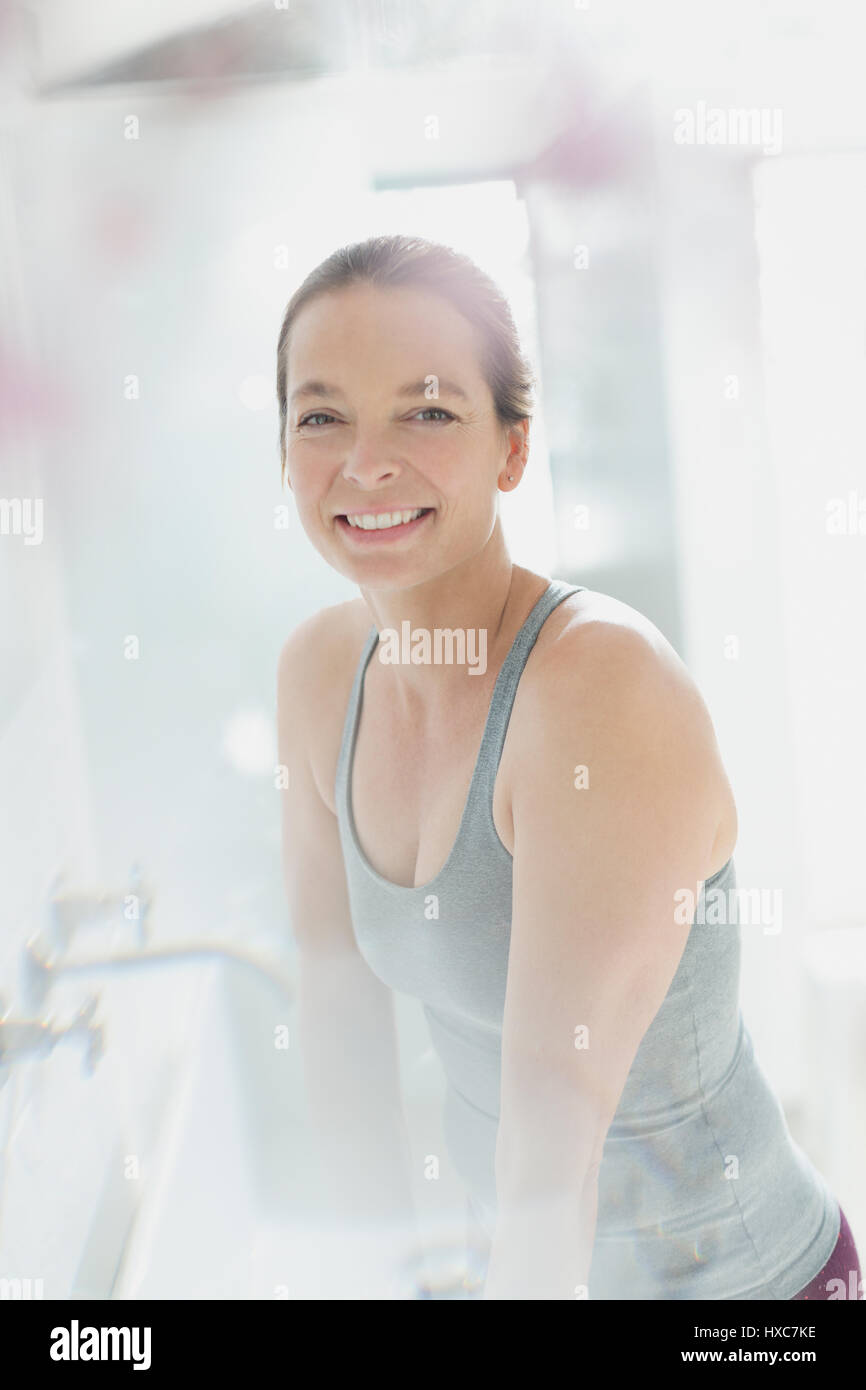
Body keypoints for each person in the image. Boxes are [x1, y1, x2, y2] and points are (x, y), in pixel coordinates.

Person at [275, 233, 859, 1300]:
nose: (365, 462)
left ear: (511, 448)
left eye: (427, 410)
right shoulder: (319, 676)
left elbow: (550, 1130)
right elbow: (338, 1022)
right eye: (321, 415)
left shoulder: (598, 693)